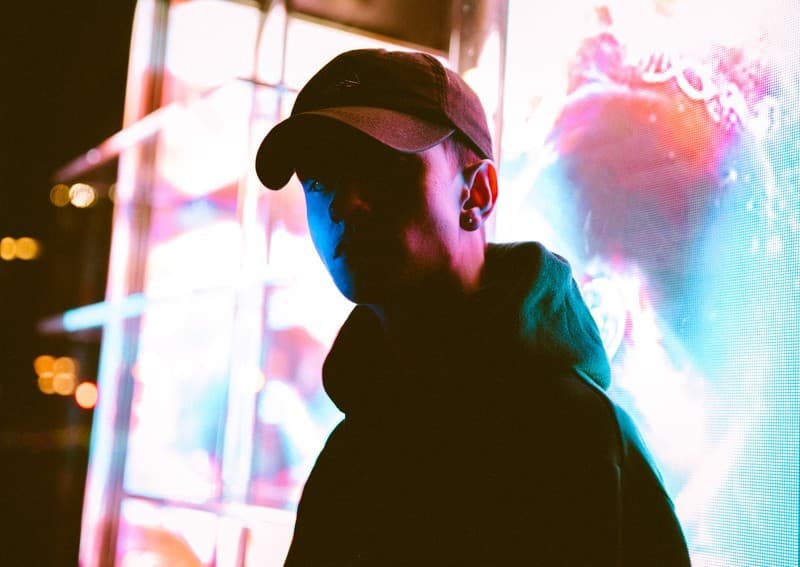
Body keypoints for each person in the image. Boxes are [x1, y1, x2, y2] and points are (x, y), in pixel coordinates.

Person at [254, 48, 690, 566]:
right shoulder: (352, 454)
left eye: (381, 167)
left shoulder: (578, 438)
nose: (345, 204)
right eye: (320, 179)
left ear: (476, 193)